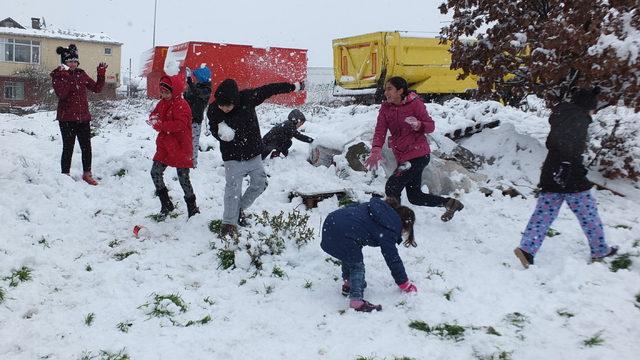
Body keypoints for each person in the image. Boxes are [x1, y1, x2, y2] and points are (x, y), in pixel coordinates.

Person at [514, 87, 618, 268]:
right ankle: (600, 250)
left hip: (551, 171)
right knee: (588, 213)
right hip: (569, 174)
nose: (594, 112)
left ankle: (527, 249)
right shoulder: (578, 119)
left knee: (543, 214)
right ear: (587, 106)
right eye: (594, 107)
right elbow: (570, 147)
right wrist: (568, 167)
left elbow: (552, 143)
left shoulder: (562, 116)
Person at [207, 79, 304, 235]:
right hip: (231, 155)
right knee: (232, 189)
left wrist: (294, 87)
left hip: (252, 153)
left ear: (235, 100)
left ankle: (238, 209)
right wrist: (221, 134)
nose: (224, 109)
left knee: (260, 184)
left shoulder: (248, 98)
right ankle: (228, 225)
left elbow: (270, 88)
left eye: (228, 105)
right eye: (221, 105)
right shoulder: (213, 110)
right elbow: (213, 127)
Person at [363, 76, 463, 222]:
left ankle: (395, 221)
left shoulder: (415, 105)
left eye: (390, 89)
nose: (386, 92)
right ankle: (449, 203)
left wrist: (418, 125)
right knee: (415, 197)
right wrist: (376, 149)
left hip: (418, 155)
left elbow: (431, 126)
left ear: (400, 90)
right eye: (385, 89)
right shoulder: (386, 108)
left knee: (392, 186)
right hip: (403, 156)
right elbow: (380, 131)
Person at [321, 196, 418, 312]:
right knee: (357, 266)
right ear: (405, 224)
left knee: (349, 253)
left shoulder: (378, 209)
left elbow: (353, 209)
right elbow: (393, 258)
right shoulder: (391, 226)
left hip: (331, 222)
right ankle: (356, 301)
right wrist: (404, 283)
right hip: (344, 230)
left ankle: (349, 283)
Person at [50, 44, 107, 185]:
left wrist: (101, 74)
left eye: (75, 61)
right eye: (70, 61)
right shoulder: (58, 75)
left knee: (86, 147)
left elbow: (97, 88)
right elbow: (62, 94)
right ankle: (65, 174)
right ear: (64, 63)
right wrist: (65, 75)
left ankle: (87, 173)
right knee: (68, 147)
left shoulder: (81, 74)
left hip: (83, 118)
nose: (73, 64)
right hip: (67, 119)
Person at [148, 72, 200, 218]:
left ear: (174, 91)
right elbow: (154, 114)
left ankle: (192, 208)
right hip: (165, 145)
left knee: (183, 178)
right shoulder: (162, 103)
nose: (163, 95)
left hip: (180, 146)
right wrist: (153, 119)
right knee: (155, 172)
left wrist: (161, 125)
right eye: (162, 92)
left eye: (166, 92)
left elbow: (180, 125)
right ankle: (166, 204)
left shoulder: (182, 105)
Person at [184, 65, 212, 168]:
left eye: (197, 77)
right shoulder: (196, 86)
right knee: (185, 141)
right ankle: (184, 160)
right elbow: (188, 98)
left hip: (196, 120)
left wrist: (189, 80)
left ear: (202, 77)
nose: (195, 79)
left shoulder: (206, 89)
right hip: (187, 118)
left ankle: (192, 162)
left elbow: (197, 93)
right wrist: (186, 92)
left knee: (194, 142)